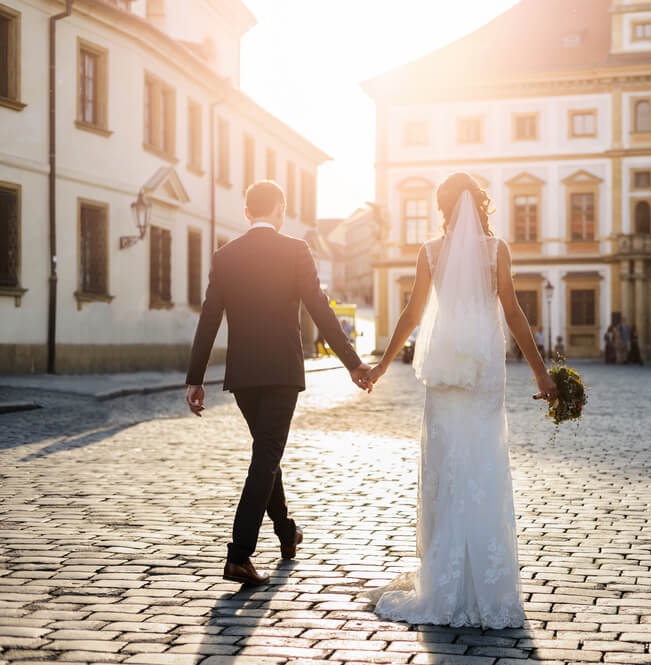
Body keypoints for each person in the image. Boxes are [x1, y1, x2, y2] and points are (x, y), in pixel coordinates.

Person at [362, 172, 558, 629]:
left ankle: (443, 575)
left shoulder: (430, 251)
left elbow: (412, 313)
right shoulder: (497, 251)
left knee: (446, 465)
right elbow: (512, 311)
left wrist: (382, 365)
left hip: (444, 365)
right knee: (485, 461)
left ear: (442, 208)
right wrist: (541, 371)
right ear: (480, 206)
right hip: (485, 367)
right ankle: (485, 584)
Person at [184, 180, 373, 586]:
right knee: (266, 457)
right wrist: (352, 362)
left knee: (266, 455)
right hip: (282, 372)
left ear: (247, 212)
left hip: (244, 375)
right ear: (281, 209)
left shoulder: (225, 256)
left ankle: (286, 532)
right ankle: (239, 554)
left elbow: (209, 317)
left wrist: (195, 377)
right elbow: (320, 309)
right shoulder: (295, 250)